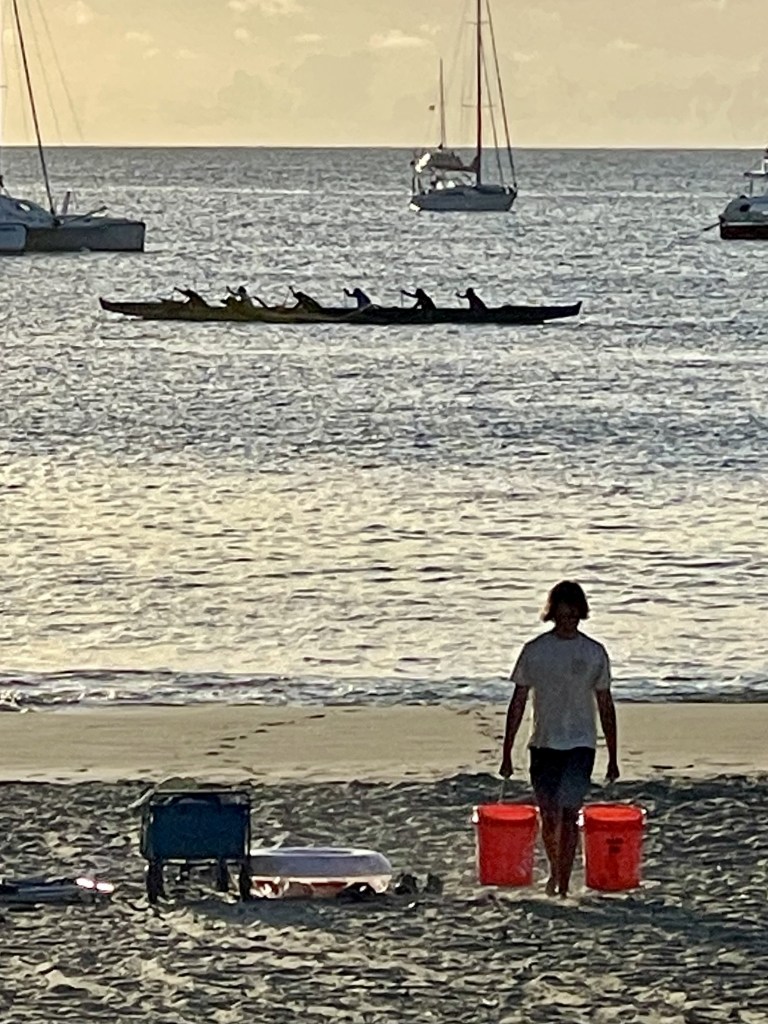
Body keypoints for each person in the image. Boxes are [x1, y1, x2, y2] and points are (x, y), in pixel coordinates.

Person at [499, 580, 619, 899]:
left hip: (580, 744)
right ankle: (556, 870)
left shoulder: (594, 652)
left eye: (574, 616)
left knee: (568, 814)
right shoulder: (535, 651)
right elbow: (518, 702)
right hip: (544, 743)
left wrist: (614, 756)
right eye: (563, 616)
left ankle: (563, 883)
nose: (569, 622)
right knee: (549, 815)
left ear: (581, 613)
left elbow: (605, 704)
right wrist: (507, 751)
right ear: (553, 614)